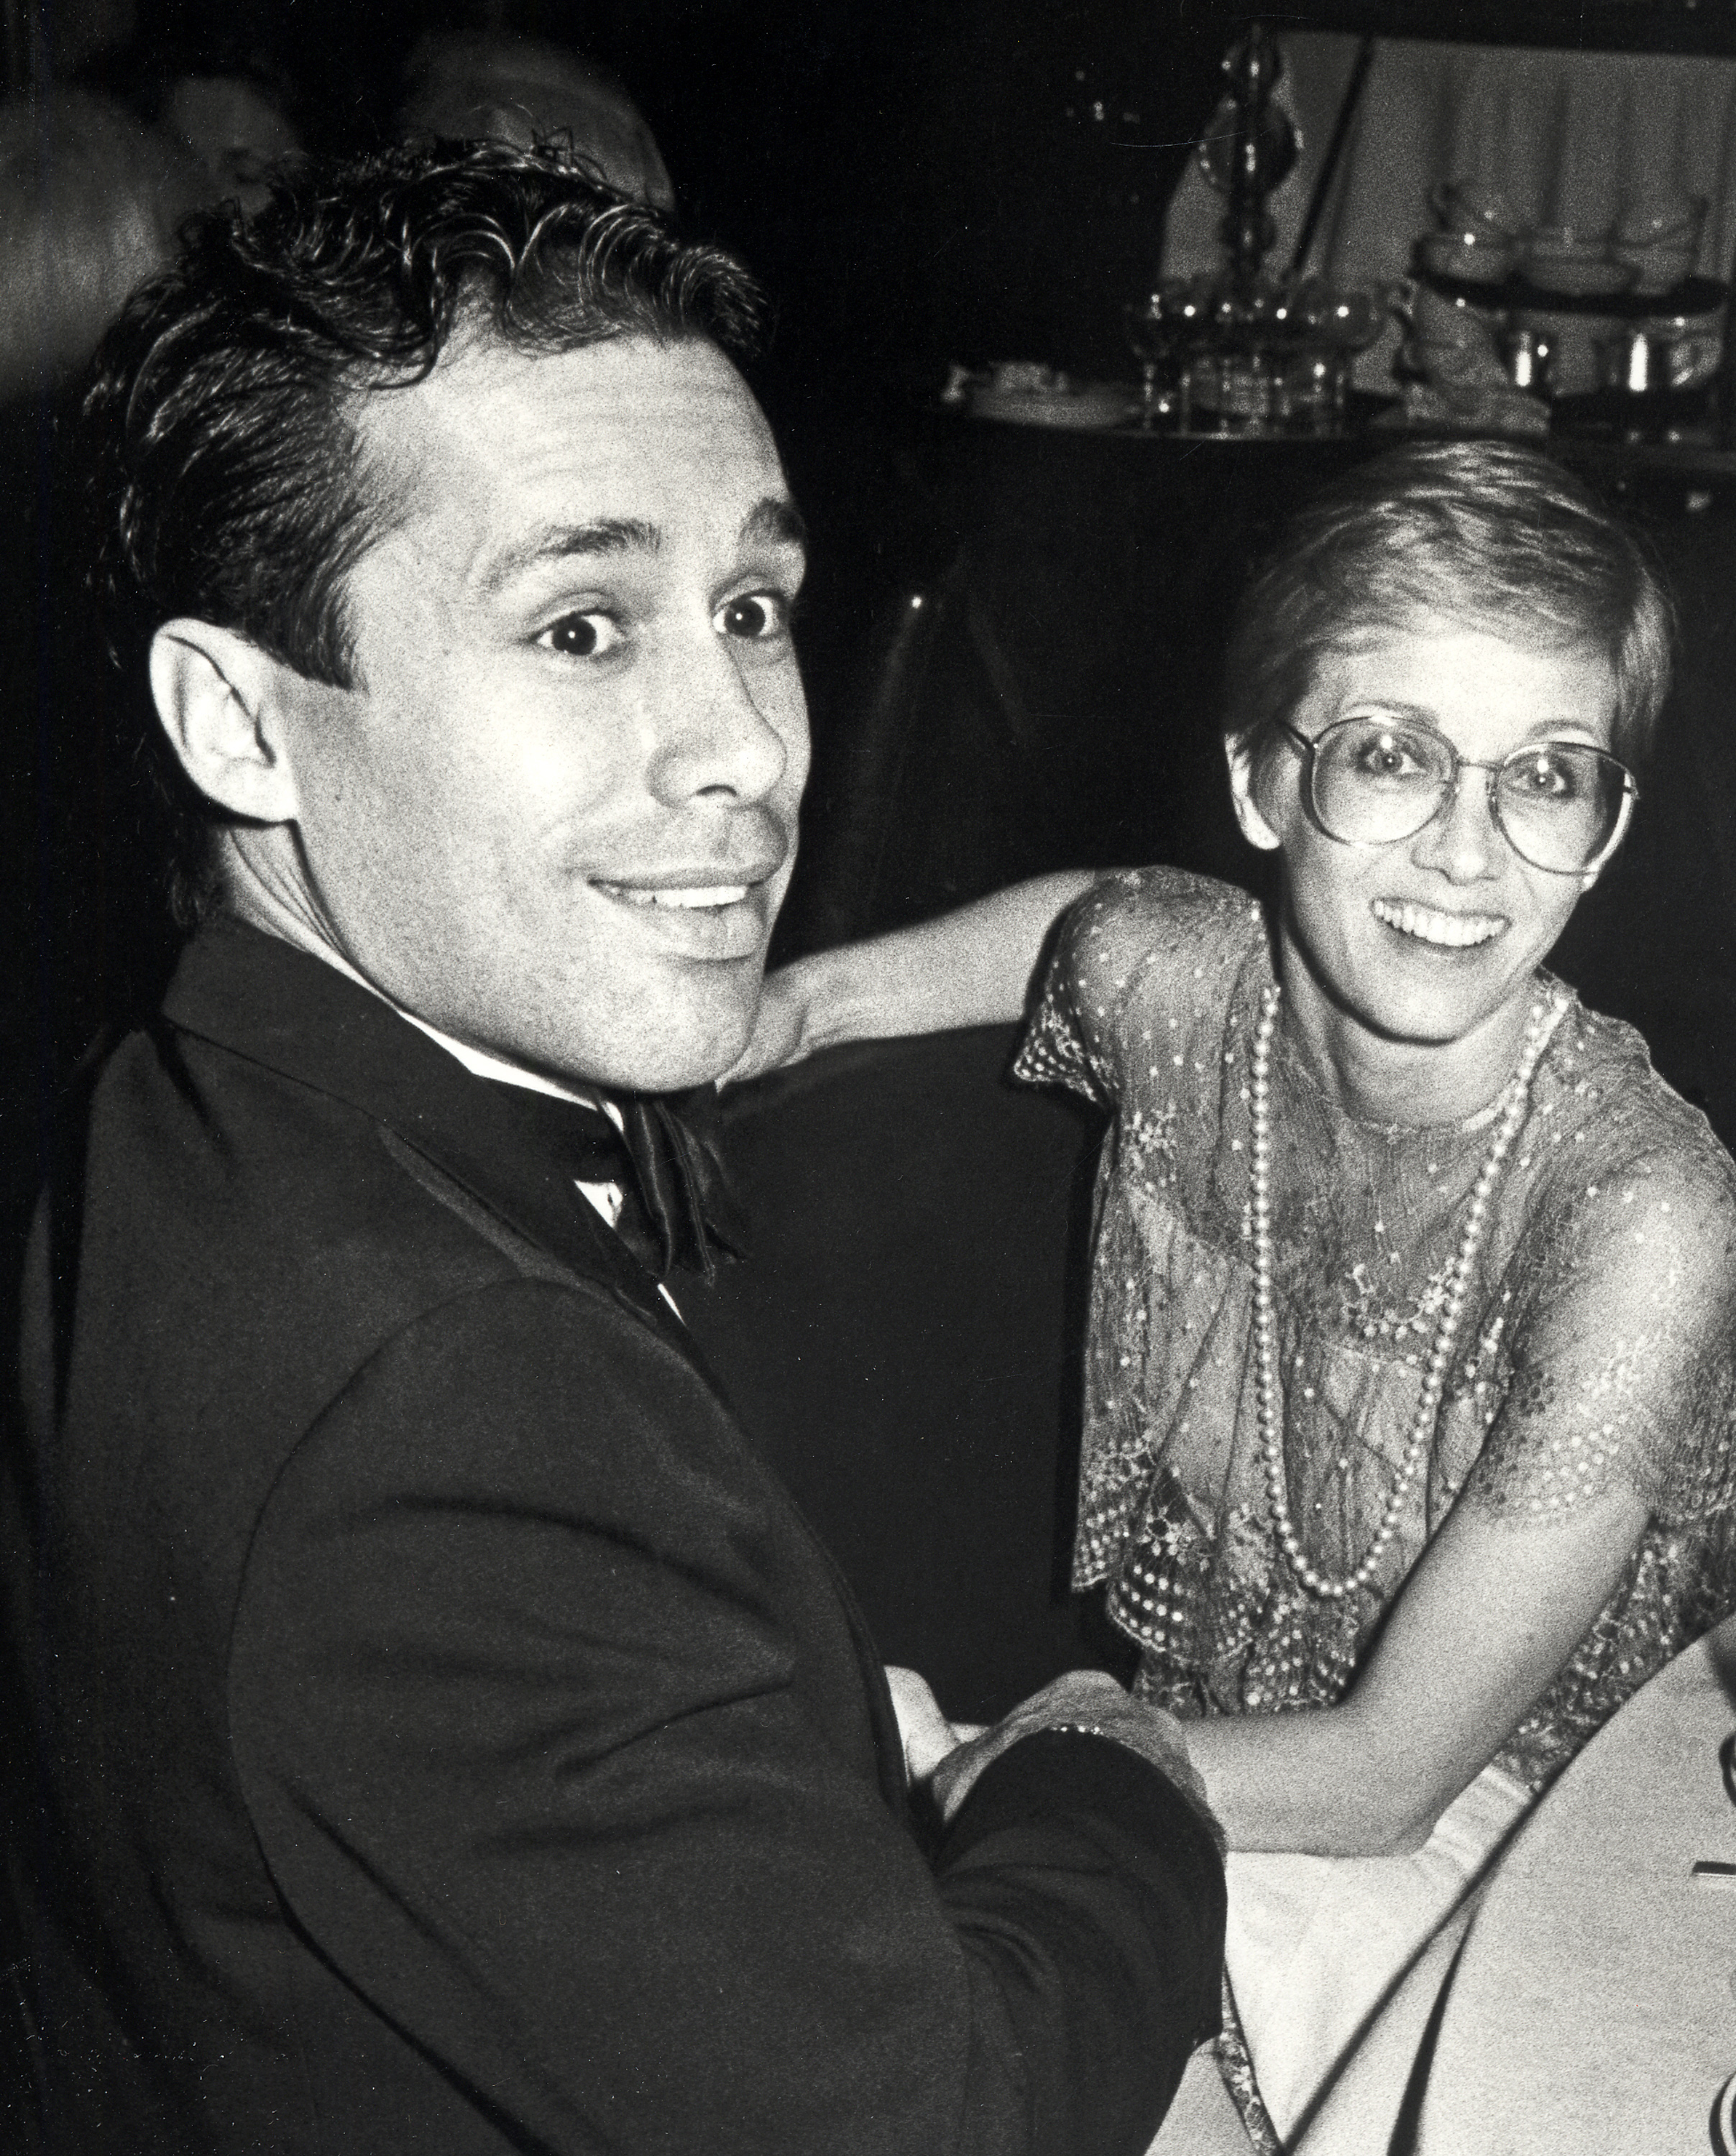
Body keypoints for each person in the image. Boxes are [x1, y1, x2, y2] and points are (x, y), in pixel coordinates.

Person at [0, 140, 1225, 2152]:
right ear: (237, 724)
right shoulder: (436, 1408)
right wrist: (1108, 1781)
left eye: (751, 604)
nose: (746, 745)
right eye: (583, 627)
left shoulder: (181, 1097)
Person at [737, 440, 1736, 2147]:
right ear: (1260, 783)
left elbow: (1388, 1779)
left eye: (1546, 775)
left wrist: (960, 1762)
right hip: (1193, 1769)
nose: (1464, 853)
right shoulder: (1170, 978)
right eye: (1387, 756)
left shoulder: (1642, 1215)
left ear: (1607, 823)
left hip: (1516, 1859)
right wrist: (784, 1012)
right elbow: (1086, 922)